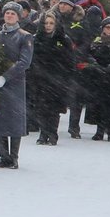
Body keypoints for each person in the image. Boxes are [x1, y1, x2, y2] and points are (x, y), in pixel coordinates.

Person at [0, 2, 33, 167]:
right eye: (7, 13)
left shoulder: (24, 36)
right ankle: (3, 156)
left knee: (14, 119)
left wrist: (6, 76)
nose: (9, 16)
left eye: (13, 13)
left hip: (15, 83)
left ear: (19, 16)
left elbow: (24, 62)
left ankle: (13, 157)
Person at [27, 11, 76, 146]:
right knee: (41, 107)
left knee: (54, 108)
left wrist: (64, 77)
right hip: (39, 79)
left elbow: (70, 60)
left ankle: (52, 134)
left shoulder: (64, 39)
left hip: (57, 79)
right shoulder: (36, 38)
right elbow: (32, 58)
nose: (48, 26)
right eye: (45, 23)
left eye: (51, 23)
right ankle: (43, 133)